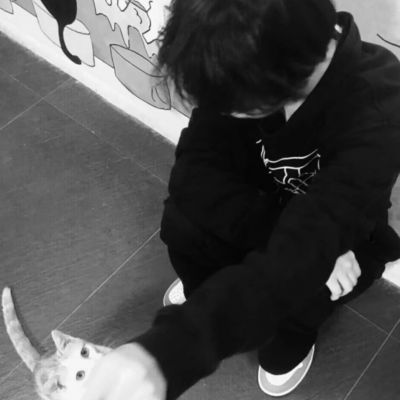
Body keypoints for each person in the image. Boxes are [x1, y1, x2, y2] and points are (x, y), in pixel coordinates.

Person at [84, 0, 400, 399]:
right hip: (268, 210)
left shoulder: (380, 107)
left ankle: (287, 340)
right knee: (183, 222)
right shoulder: (235, 54)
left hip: (344, 236)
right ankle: (215, 289)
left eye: (234, 108)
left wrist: (172, 354)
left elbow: (313, 238)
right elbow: (193, 176)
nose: (220, 113)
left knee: (308, 283)